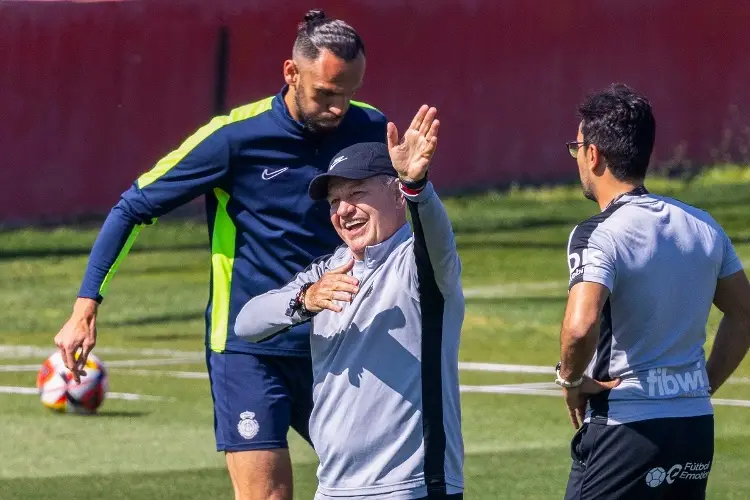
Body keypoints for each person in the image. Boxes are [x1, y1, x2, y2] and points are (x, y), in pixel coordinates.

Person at [53, 9, 388, 500]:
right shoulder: (234, 138)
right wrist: (86, 306)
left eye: (348, 92)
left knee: (376, 486)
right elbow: (133, 207)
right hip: (249, 349)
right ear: (291, 73)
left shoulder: (371, 127)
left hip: (341, 341)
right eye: (326, 93)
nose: (338, 108)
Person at [235, 105, 465, 500]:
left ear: (395, 193)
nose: (343, 211)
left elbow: (436, 235)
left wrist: (417, 187)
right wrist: (304, 300)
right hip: (335, 487)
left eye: (357, 194)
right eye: (333, 202)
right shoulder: (329, 269)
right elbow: (247, 323)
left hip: (410, 487)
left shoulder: (418, 264)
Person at [556, 83, 750, 500]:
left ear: (594, 155)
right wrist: (701, 386)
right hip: (694, 426)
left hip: (625, 428)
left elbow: (579, 326)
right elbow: (744, 314)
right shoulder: (703, 225)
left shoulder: (598, 233)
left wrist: (570, 378)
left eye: (577, 148)